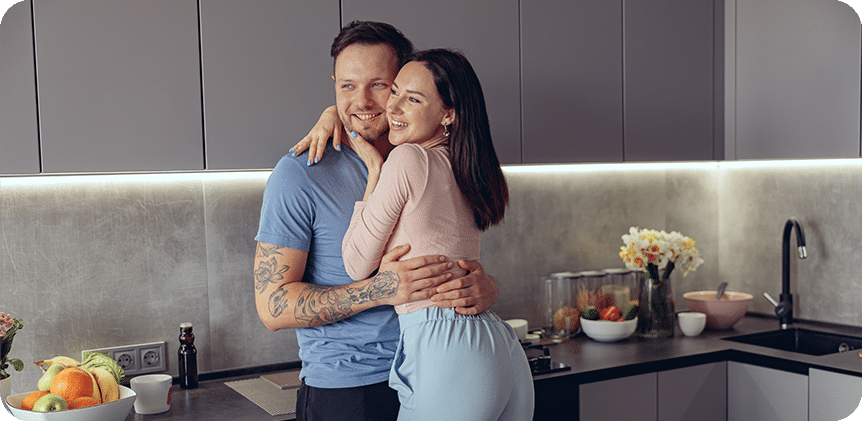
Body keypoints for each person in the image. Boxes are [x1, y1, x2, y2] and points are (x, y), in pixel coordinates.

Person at [254, 21, 500, 421]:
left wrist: (484, 287)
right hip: (352, 390)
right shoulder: (301, 173)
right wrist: (378, 290)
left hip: (436, 370)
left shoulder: (439, 158)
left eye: (379, 85)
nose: (363, 101)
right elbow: (272, 306)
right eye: (347, 86)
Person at [341, 49, 534, 420]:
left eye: (412, 99)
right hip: (496, 344)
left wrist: (374, 172)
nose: (393, 108)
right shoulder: (466, 167)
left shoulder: (408, 159)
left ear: (449, 113)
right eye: (394, 92)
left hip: (445, 346)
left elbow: (354, 263)